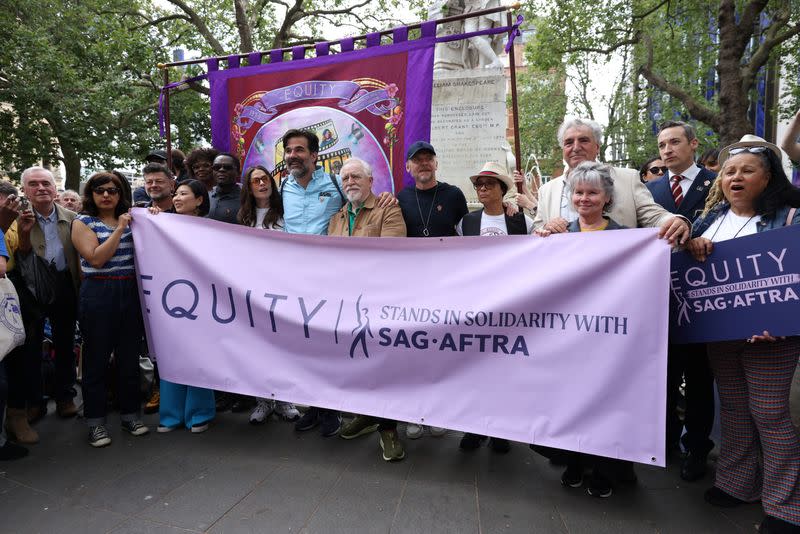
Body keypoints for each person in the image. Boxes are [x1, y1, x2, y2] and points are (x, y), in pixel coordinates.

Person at [687, 136, 800, 534]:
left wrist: (784, 323)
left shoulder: (790, 219)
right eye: (730, 171)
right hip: (721, 336)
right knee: (733, 409)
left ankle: (786, 505)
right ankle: (738, 485)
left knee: (769, 414)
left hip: (772, 339)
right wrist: (692, 242)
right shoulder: (709, 218)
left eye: (747, 170)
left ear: (767, 178)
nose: (736, 177)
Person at [648, 120, 717, 481]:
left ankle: (698, 446)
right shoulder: (651, 188)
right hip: (660, 297)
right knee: (664, 374)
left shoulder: (715, 183)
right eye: (662, 145)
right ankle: (666, 441)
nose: (667, 150)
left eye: (675, 142)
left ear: (693, 144)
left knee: (699, 376)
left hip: (702, 295)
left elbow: (724, 220)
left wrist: (697, 235)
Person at [326, 157, 407, 461]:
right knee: (356, 364)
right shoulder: (336, 219)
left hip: (379, 303)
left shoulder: (388, 208)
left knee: (383, 366)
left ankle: (388, 429)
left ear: (371, 181)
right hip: (346, 305)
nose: (350, 183)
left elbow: (392, 255)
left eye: (356, 177)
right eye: (345, 178)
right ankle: (365, 414)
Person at [71, 172, 148, 447]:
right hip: (99, 291)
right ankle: (95, 423)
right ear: (90, 194)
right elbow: (96, 258)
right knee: (96, 360)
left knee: (129, 358)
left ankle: (130, 416)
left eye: (112, 190)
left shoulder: (133, 218)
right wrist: (119, 229)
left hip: (129, 290)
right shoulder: (82, 222)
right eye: (100, 190)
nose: (106, 195)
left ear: (120, 193)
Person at [397, 141, 467, 439]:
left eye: (429, 159)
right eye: (417, 160)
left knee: (442, 349)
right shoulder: (400, 197)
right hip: (411, 286)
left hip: (446, 285)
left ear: (436, 164)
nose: (423, 164)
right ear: (408, 167)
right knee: (413, 350)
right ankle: (414, 412)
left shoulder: (453, 194)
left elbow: (469, 232)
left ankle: (439, 410)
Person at [533, 117, 689, 247]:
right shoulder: (547, 190)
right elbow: (535, 233)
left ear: (597, 147)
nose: (576, 147)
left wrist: (674, 221)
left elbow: (653, 216)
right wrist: (546, 228)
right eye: (568, 143)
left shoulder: (628, 178)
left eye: (583, 140)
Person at [150, 180, 216, 434]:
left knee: (199, 354)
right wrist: (152, 216)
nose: (176, 198)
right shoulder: (162, 223)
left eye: (183, 194)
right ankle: (170, 415)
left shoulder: (213, 229)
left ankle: (199, 413)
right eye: (175, 194)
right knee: (172, 354)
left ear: (199, 200)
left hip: (203, 300)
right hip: (170, 300)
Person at [236, 165, 301, 425]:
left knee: (283, 346)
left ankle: (285, 400)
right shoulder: (243, 217)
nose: (262, 184)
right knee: (257, 347)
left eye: (265, 179)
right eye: (256, 181)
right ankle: (262, 401)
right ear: (249, 187)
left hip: (283, 288)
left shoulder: (285, 210)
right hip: (253, 290)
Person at [15, 167, 81, 422]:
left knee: (65, 345)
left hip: (64, 287)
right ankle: (35, 402)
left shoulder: (74, 218)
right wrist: (22, 231)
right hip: (30, 290)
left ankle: (65, 397)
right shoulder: (14, 218)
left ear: (55, 189)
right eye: (34, 184)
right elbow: (19, 257)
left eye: (46, 183)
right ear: (25, 190)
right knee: (31, 348)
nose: (41, 188)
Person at [207, 152, 242, 225]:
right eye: (216, 167)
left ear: (238, 172)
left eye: (228, 167)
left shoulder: (247, 198)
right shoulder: (205, 196)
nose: (221, 170)